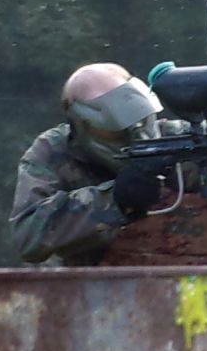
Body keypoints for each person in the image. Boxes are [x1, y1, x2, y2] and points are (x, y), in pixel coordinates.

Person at [11, 62, 178, 264]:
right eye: (116, 131)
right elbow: (28, 237)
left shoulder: (174, 137)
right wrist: (113, 198)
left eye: (141, 120)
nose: (136, 135)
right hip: (99, 279)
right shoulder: (53, 151)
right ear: (83, 124)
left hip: (182, 274)